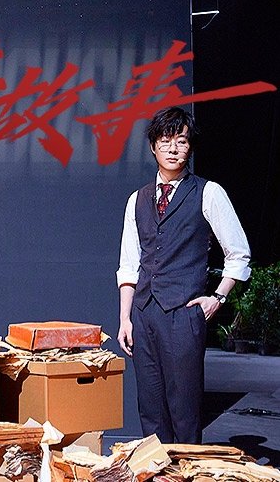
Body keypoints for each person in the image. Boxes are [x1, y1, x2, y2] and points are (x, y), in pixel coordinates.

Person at [116, 106, 250, 443]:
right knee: (150, 409)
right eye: (165, 141)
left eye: (181, 141)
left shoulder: (208, 192)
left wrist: (217, 297)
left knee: (185, 409)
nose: (173, 149)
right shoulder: (137, 200)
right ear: (153, 147)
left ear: (190, 147)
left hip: (183, 314)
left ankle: (188, 466)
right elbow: (129, 264)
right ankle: (157, 468)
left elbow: (239, 253)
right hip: (144, 314)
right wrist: (125, 318)